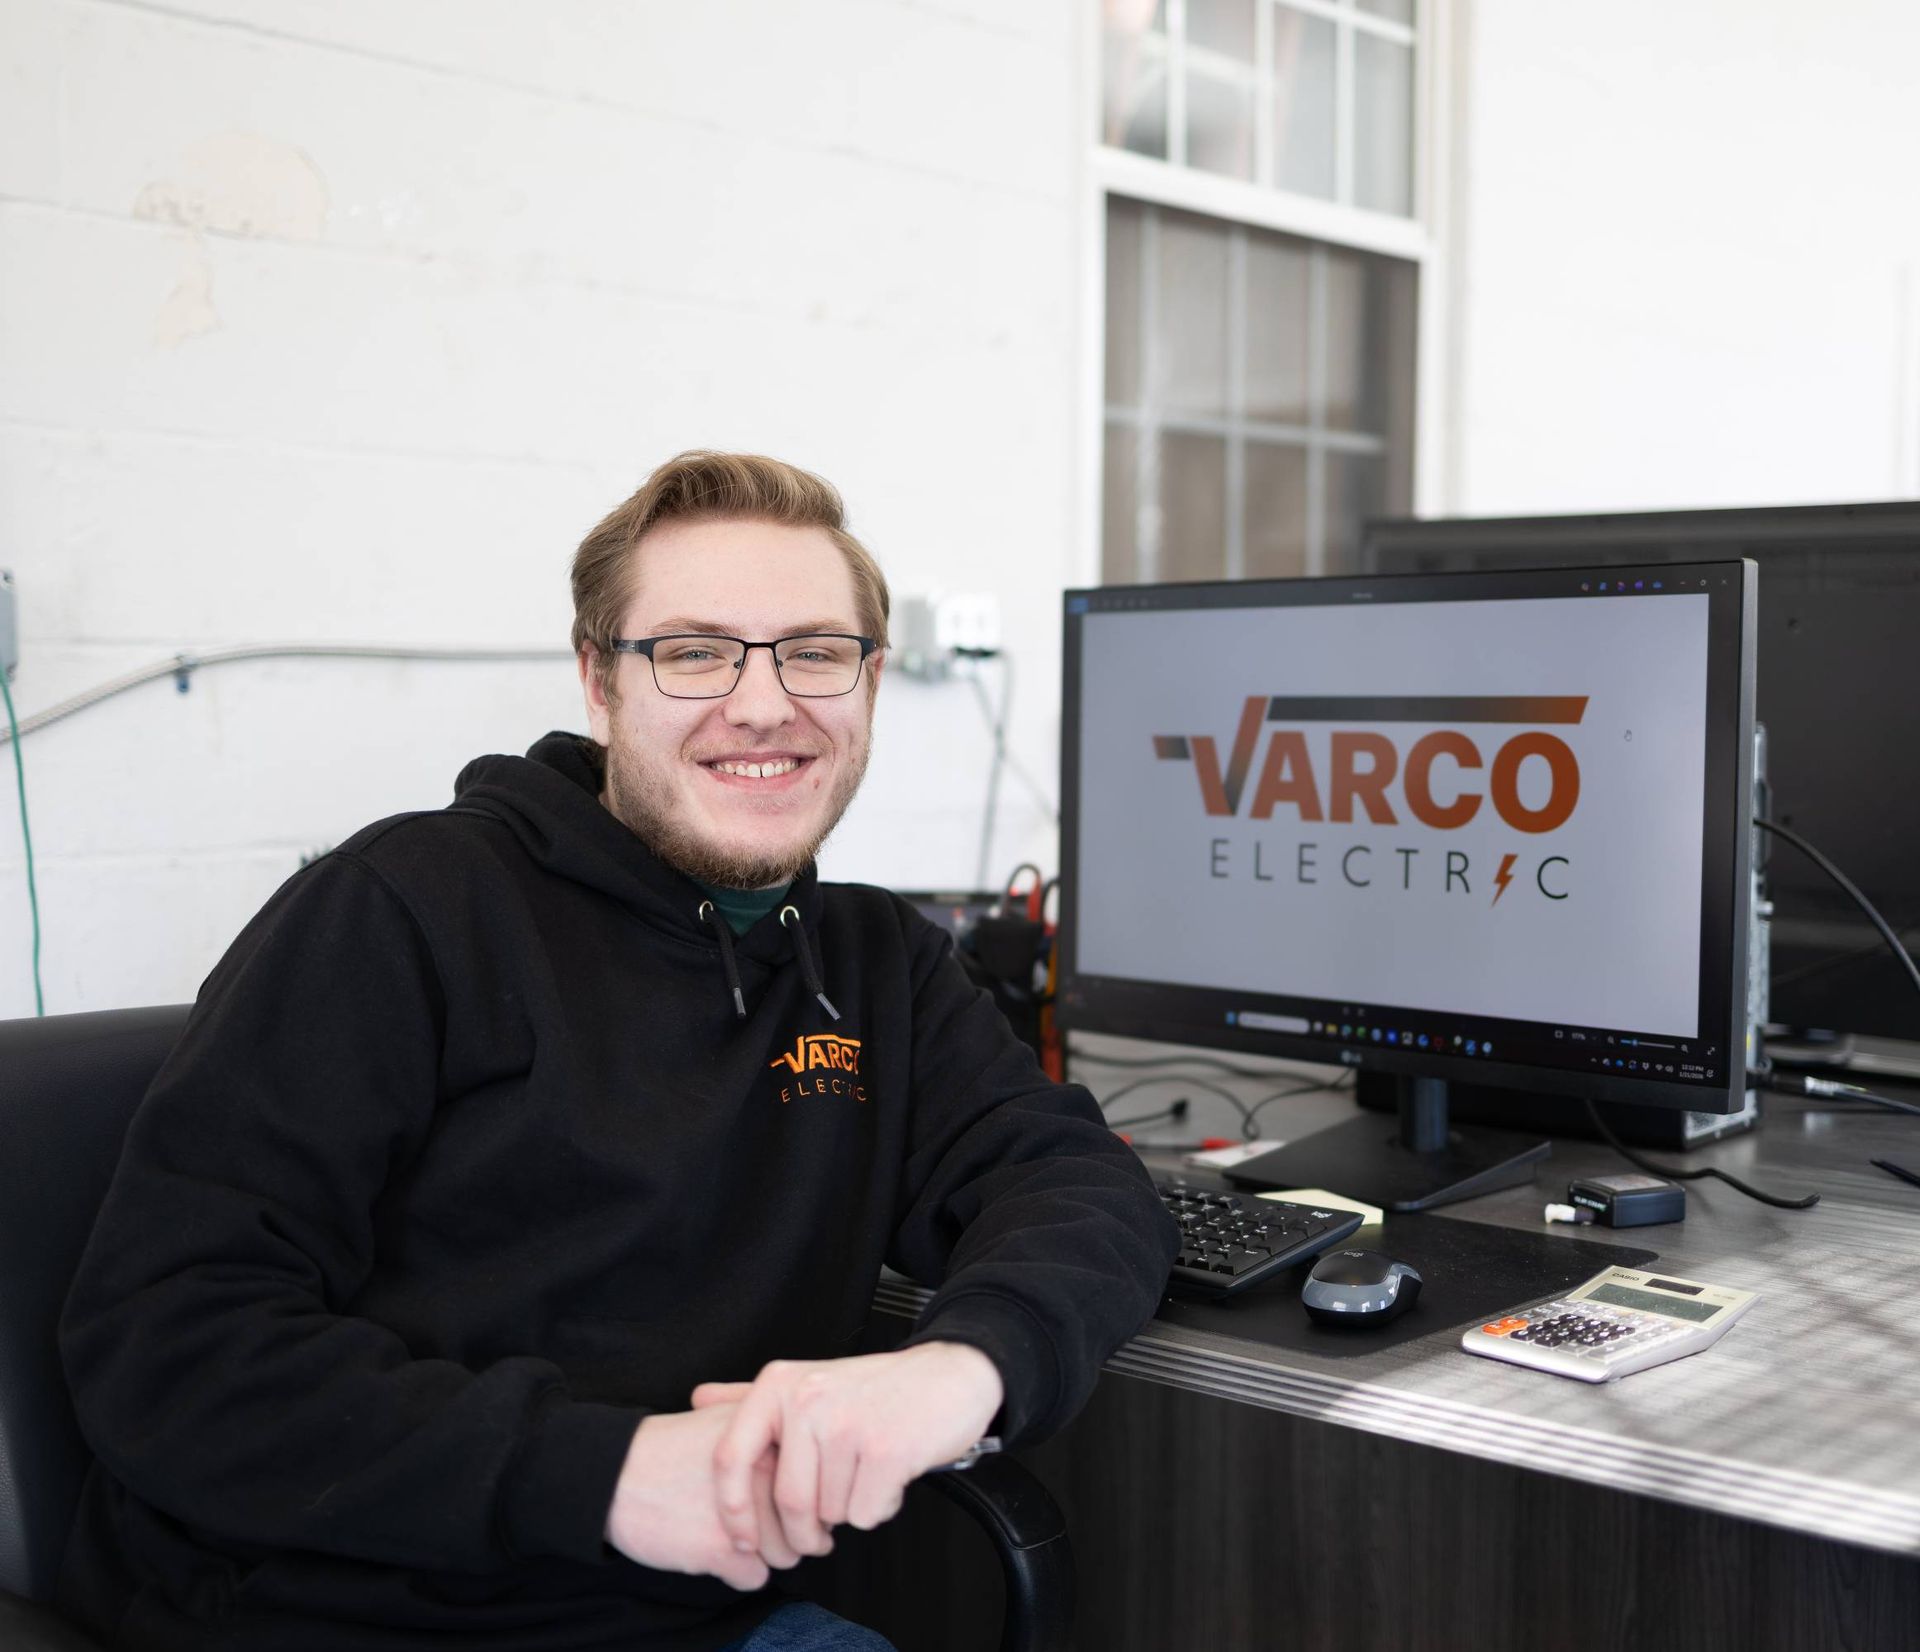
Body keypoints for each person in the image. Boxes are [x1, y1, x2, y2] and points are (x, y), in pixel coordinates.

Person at [56, 450, 1179, 1651]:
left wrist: (964, 1368)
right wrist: (610, 1470)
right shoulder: (403, 909)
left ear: (869, 681)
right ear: (601, 682)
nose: (763, 704)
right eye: (694, 650)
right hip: (346, 1617)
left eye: (814, 649)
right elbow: (169, 1340)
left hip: (697, 1624)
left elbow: (1076, 1179)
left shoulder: (873, 963)